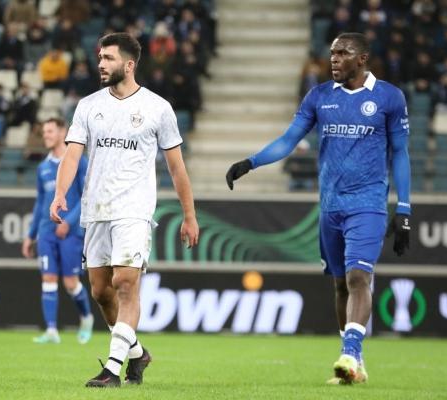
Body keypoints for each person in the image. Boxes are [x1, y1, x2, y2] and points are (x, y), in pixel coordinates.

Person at [225, 32, 411, 385]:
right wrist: (250, 163)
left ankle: (350, 353)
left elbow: (400, 153)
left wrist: (403, 209)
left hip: (368, 204)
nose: (334, 59)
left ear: (362, 59)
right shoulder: (319, 96)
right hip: (330, 208)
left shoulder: (389, 97)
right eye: (332, 53)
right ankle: (354, 364)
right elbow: (288, 140)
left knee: (359, 277)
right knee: (341, 285)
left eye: (343, 53)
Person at [49, 32, 199, 388]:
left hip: (134, 209)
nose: (101, 64)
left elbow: (176, 167)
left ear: (129, 65)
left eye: (109, 58)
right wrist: (60, 193)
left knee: (126, 282)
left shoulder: (157, 108)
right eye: (100, 57)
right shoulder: (88, 106)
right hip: (97, 209)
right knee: (102, 291)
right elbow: (72, 155)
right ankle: (137, 353)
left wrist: (189, 215)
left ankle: (112, 370)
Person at [22, 117, 94, 345]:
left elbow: (86, 196)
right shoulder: (43, 167)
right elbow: (40, 203)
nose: (46, 136)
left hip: (70, 232)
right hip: (46, 231)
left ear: (63, 132)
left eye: (50, 131)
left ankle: (86, 318)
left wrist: (69, 222)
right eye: (44, 132)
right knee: (48, 279)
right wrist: (30, 235)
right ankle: (51, 330)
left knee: (71, 283)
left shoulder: (78, 161)